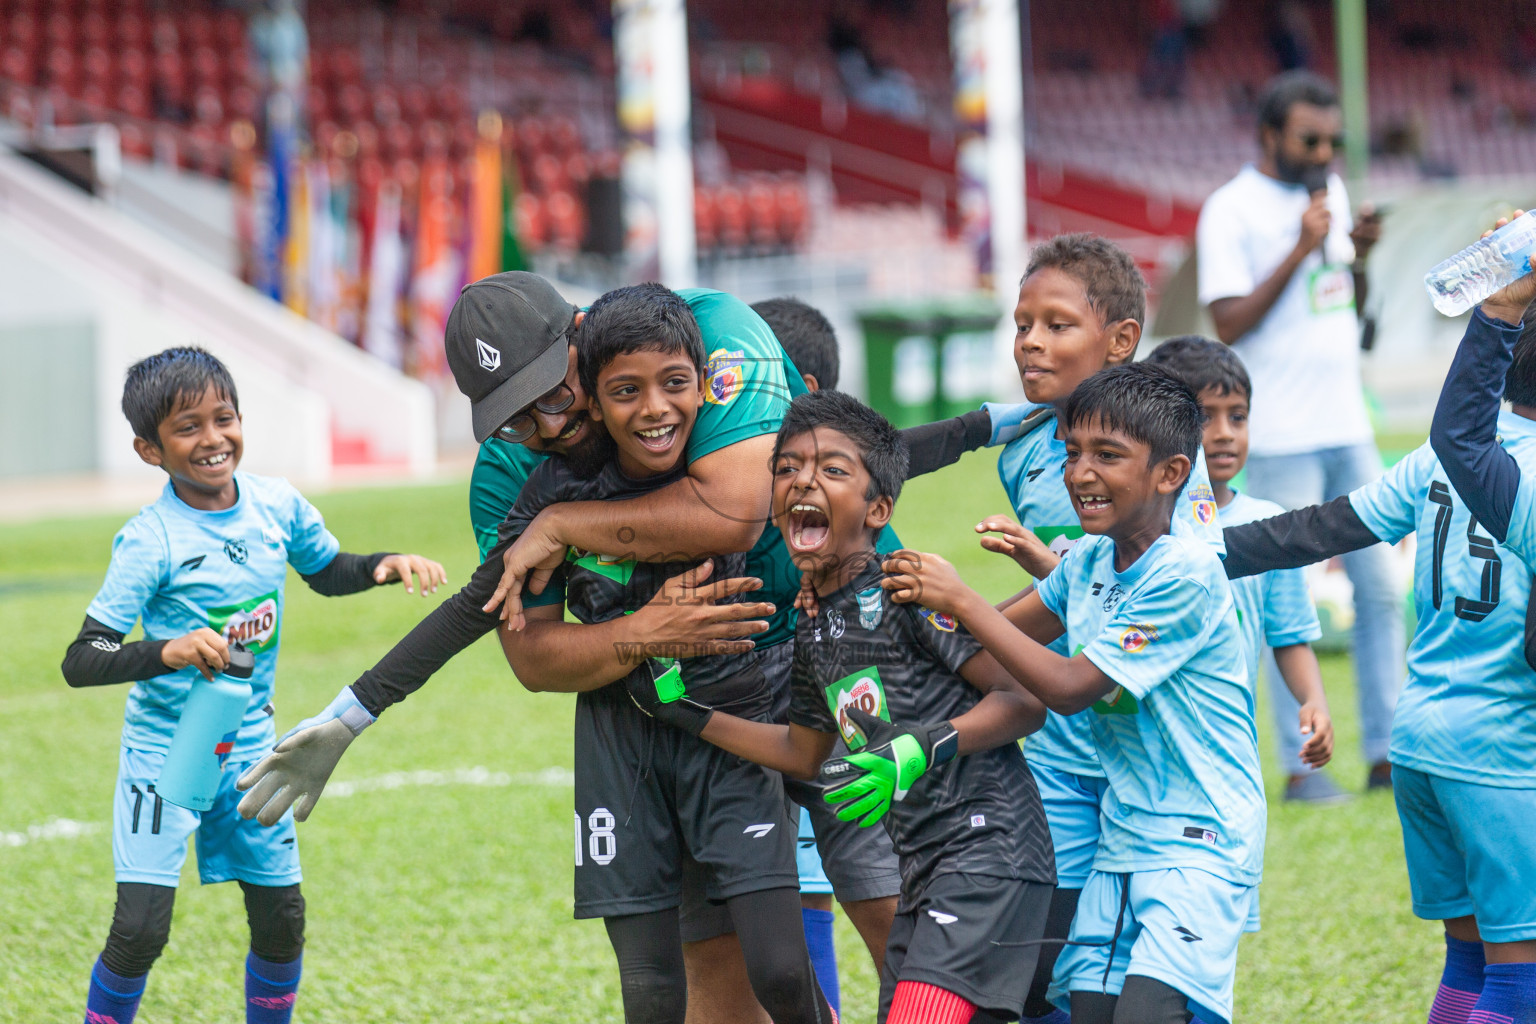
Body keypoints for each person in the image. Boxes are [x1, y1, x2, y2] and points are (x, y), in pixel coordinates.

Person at [629, 389, 1055, 1024]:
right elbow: (801, 752)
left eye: (832, 470)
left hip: (987, 853)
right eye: (788, 467)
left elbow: (1022, 701)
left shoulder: (904, 588)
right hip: (925, 870)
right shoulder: (815, 626)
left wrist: (920, 746)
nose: (803, 480)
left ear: (878, 508)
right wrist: (686, 712)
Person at [60, 347, 445, 1024]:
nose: (213, 440)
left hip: (250, 751)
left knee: (281, 918)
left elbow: (326, 570)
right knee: (142, 928)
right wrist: (168, 650)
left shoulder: (276, 505)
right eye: (188, 428)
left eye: (224, 418)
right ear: (150, 450)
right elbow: (82, 658)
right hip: (165, 756)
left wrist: (383, 563)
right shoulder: (150, 540)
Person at [1220, 218, 1536, 1024]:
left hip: (1420, 741)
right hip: (1503, 755)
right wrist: (1498, 309)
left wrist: (1192, 546)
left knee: (1467, 962)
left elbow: (1317, 529)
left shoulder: (1434, 464)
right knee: (1519, 983)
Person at [885, 363, 1265, 1024]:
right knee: (1085, 1009)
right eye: (1072, 453)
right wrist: (889, 612)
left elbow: (1067, 688)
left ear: (1171, 474)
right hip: (1126, 833)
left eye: (1108, 456)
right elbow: (982, 640)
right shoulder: (1088, 561)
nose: (1080, 473)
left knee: (1149, 1013)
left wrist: (960, 598)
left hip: (1199, 843)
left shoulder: (1186, 572)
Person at [496, 283, 835, 1024]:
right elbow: (515, 641)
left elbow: (738, 515)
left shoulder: (717, 394)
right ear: (598, 392)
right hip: (626, 736)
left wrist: (980, 425)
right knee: (654, 990)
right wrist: (640, 631)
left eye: (675, 384)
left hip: (746, 701)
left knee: (792, 962)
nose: (654, 408)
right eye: (627, 391)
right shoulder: (536, 483)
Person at [968, 233, 1224, 1024]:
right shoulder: (1027, 443)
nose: (1031, 343)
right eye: (1021, 325)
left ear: (1119, 341)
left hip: (1130, 761)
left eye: (1055, 325)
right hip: (1055, 752)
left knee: (1086, 979)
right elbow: (1080, 587)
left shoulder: (1160, 470)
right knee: (1048, 974)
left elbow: (1174, 587)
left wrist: (974, 605)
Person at [1196, 69, 1399, 794]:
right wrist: (1297, 245)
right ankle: (1299, 768)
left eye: (1334, 141)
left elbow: (1341, 299)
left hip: (1347, 422)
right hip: (1277, 432)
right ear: (1269, 135)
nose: (1324, 153)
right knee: (1286, 600)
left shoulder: (1330, 195)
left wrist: (1358, 252)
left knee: (1379, 590)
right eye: (1310, 140)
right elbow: (1227, 322)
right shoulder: (1231, 209)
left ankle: (1384, 756)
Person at [1144, 336, 1339, 801]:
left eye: (1238, 416)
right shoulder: (1136, 525)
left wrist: (1314, 701)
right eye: (1204, 417)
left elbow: (1289, 634)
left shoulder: (1267, 527)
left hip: (1225, 755)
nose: (1225, 432)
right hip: (1140, 747)